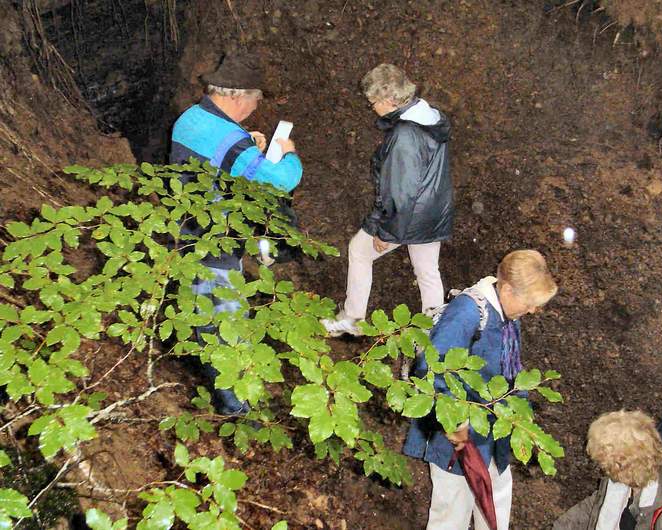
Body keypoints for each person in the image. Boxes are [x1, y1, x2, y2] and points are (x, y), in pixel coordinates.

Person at [169, 53, 302, 414]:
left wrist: (245, 145)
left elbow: (218, 162)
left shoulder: (190, 119)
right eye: (256, 101)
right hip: (216, 242)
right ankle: (237, 407)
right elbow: (280, 181)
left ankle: (220, 384)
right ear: (239, 96)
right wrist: (289, 155)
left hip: (189, 230)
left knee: (206, 311)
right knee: (227, 322)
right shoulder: (227, 137)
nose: (255, 108)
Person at [403, 250, 558, 530]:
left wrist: (519, 415)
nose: (535, 310)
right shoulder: (467, 313)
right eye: (531, 302)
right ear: (508, 288)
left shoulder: (509, 316)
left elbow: (510, 369)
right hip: (459, 439)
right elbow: (430, 367)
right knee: (451, 516)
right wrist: (454, 424)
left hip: (492, 432)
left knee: (496, 501)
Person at [322, 63, 454, 337]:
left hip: (408, 215)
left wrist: (384, 229)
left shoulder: (404, 135)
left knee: (359, 250)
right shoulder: (431, 118)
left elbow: (400, 190)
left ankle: (352, 318)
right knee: (428, 272)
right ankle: (435, 337)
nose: (372, 108)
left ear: (389, 100)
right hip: (433, 211)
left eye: (373, 103)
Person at [554, 410, 662, 530]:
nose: (603, 469)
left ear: (621, 467)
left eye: (606, 465)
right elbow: (592, 507)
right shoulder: (622, 484)